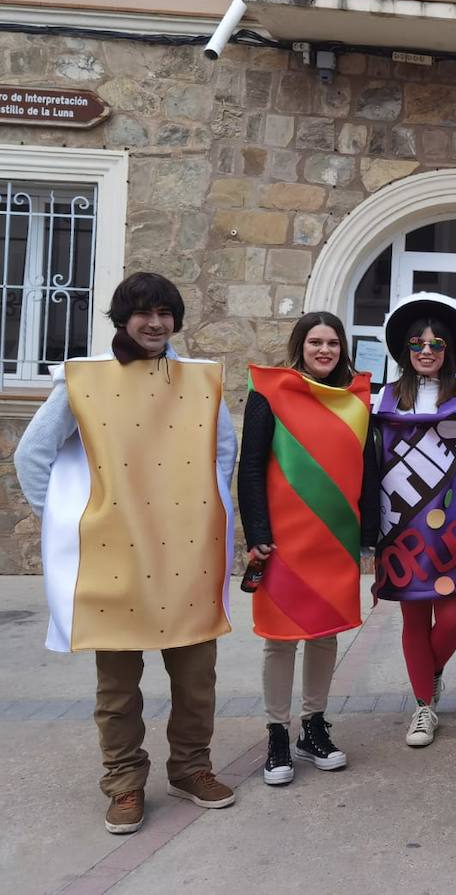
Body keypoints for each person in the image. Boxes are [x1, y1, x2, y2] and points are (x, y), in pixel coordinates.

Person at [14, 272, 239, 835]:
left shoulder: (199, 381)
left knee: (196, 678)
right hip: (114, 557)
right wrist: (66, 527)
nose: (155, 322)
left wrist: (205, 512)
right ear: (122, 319)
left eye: (165, 312)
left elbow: (223, 452)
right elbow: (32, 456)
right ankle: (124, 783)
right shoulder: (84, 382)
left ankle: (191, 768)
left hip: (189, 557)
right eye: (143, 312)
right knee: (117, 688)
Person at [237, 312, 380, 786]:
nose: (325, 350)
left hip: (334, 542)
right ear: (300, 346)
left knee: (324, 633)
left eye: (333, 343)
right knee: (279, 639)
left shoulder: (357, 402)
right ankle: (278, 732)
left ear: (343, 350)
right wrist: (256, 530)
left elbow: (369, 473)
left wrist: (367, 540)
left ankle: (313, 727)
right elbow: (251, 467)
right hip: (281, 540)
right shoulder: (270, 392)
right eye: (316, 342)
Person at [374, 293, 456, 749]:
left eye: (436, 344)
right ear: (406, 350)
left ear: (450, 351)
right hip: (402, 525)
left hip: (455, 528)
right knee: (413, 619)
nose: (426, 351)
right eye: (417, 343)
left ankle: (432, 674)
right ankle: (424, 705)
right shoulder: (384, 397)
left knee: (453, 617)